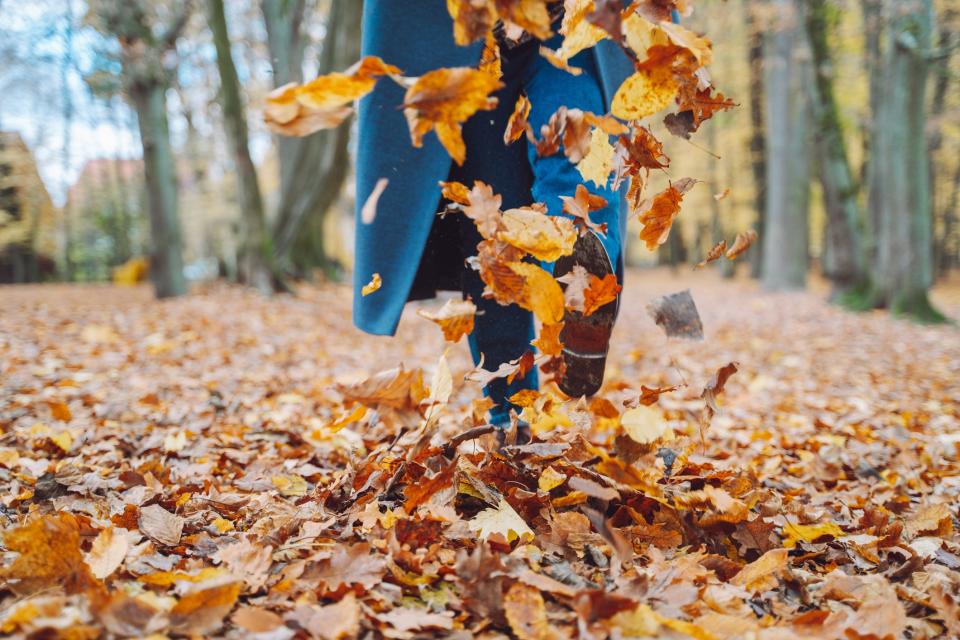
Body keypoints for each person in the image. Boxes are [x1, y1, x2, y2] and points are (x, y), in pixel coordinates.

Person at [354, 1, 635, 431]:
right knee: (565, 141)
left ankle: (511, 410)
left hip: (493, 25)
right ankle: (582, 259)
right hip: (520, 23)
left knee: (492, 229)